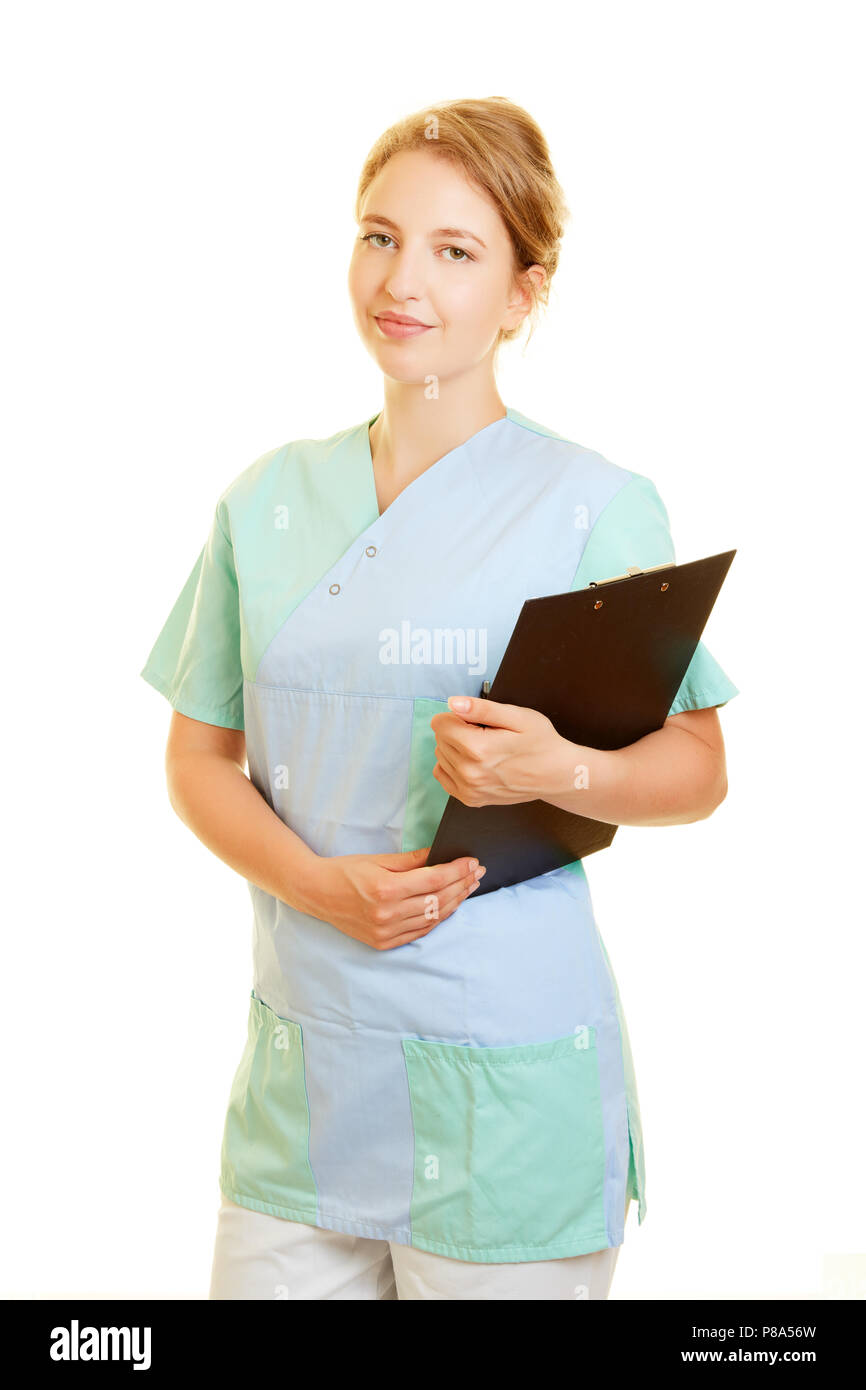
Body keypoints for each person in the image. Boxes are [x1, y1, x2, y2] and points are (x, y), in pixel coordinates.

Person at [140, 96, 738, 1301]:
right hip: (305, 1090)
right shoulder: (265, 500)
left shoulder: (592, 506)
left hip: (506, 1083)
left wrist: (555, 770)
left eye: (454, 251)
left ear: (522, 293)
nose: (399, 279)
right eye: (378, 236)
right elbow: (197, 759)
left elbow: (696, 767)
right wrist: (316, 887)